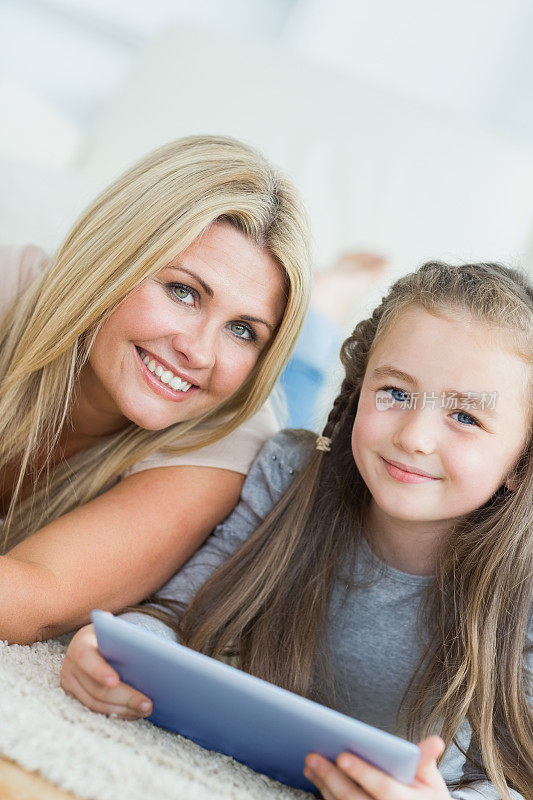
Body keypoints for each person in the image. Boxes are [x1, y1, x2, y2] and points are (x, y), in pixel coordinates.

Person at [61, 261, 532, 799]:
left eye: (466, 418)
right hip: (323, 458)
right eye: (396, 392)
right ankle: (320, 319)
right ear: (360, 391)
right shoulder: (285, 474)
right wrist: (116, 649)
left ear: (521, 460)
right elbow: (174, 616)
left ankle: (324, 310)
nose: (415, 438)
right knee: (284, 414)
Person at [0, 135, 311, 645]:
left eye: (243, 330)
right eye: (183, 291)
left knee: (302, 402)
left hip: (260, 423)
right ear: (112, 258)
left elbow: (35, 599)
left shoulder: (229, 438)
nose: (200, 351)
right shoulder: (10, 288)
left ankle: (326, 310)